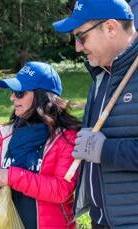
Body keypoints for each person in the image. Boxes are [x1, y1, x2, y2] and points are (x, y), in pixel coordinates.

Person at [53, 0, 138, 228]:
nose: (78, 47)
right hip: (102, 221)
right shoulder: (101, 77)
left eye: (82, 37)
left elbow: (100, 149)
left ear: (110, 28)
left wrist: (104, 150)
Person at [0, 61, 81, 228]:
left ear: (41, 96)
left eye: (19, 93)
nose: (12, 97)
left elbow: (61, 189)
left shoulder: (67, 137)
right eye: (13, 92)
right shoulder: (5, 134)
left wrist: (11, 176)